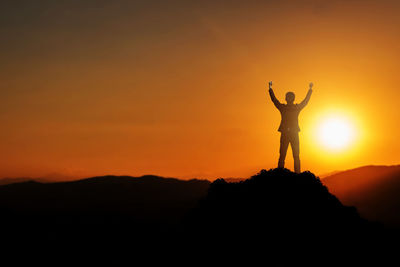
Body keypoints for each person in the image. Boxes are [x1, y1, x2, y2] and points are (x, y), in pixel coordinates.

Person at [268, 81, 313, 173]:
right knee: (286, 155)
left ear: (287, 98)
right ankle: (295, 173)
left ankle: (294, 173)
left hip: (289, 133)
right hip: (290, 133)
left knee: (291, 155)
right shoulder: (293, 108)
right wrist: (270, 89)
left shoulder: (287, 108)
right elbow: (305, 101)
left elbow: (275, 101)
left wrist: (270, 89)